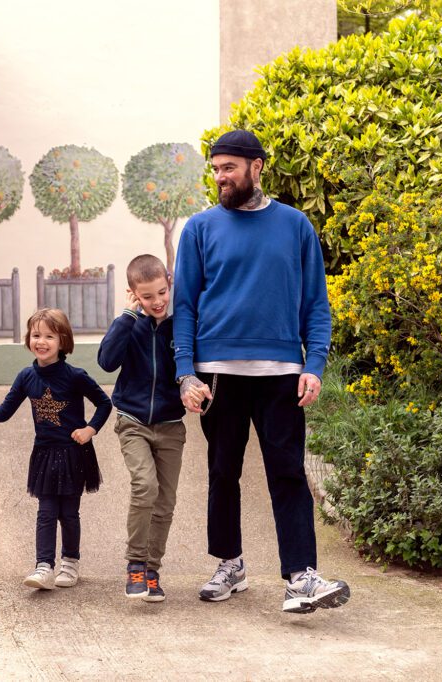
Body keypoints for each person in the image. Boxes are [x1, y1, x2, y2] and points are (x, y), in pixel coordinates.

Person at [172, 129, 350, 614]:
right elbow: (183, 305)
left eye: (229, 167)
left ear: (257, 167)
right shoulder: (199, 228)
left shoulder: (295, 226)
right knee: (222, 471)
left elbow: (316, 303)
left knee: (288, 473)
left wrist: (314, 364)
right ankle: (230, 563)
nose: (220, 177)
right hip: (217, 372)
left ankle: (300, 578)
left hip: (281, 373)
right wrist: (185, 372)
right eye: (215, 169)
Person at [0, 308, 111, 590]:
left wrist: (89, 429)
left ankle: (70, 562)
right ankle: (44, 566)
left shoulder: (75, 376)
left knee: (68, 512)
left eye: (49, 336)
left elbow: (104, 403)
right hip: (44, 454)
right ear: (28, 339)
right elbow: (5, 411)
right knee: (46, 512)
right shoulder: (26, 377)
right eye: (36, 335)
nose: (41, 341)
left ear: (63, 341)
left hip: (73, 453)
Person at [97, 254, 186, 603]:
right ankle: (135, 563)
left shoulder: (180, 325)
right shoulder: (131, 322)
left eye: (162, 292)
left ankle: (152, 569)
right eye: (147, 297)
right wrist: (128, 316)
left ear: (168, 282)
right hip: (132, 421)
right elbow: (106, 361)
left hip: (171, 424)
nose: (157, 302)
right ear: (134, 294)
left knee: (165, 502)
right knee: (144, 486)